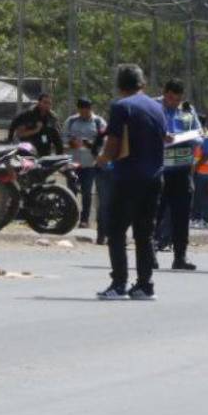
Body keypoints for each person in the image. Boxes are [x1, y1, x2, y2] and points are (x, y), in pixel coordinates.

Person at [96, 64, 167, 301]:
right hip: (155, 178)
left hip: (128, 179)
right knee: (144, 234)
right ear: (142, 84)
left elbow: (114, 143)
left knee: (116, 231)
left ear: (120, 85)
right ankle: (145, 286)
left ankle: (119, 284)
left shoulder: (121, 106)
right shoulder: (157, 108)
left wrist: (103, 159)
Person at [156, 80, 201, 271]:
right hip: (159, 169)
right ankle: (150, 254)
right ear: (164, 93)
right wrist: (161, 136)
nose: (174, 103)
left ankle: (180, 256)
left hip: (182, 171)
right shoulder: (153, 108)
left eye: (178, 99)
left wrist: (189, 138)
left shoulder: (188, 111)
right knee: (155, 214)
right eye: (171, 98)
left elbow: (200, 134)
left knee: (181, 216)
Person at [63, 97, 106, 231]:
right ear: (78, 109)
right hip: (73, 162)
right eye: (81, 110)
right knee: (71, 191)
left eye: (86, 110)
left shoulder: (99, 121)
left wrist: (89, 144)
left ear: (90, 109)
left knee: (87, 192)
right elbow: (63, 137)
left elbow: (105, 141)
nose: (83, 113)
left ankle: (85, 220)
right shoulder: (71, 121)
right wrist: (71, 143)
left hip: (89, 163)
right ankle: (70, 218)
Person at [191, 119, 208, 229]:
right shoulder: (200, 136)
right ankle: (197, 219)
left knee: (204, 196)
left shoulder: (207, 137)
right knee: (198, 196)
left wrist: (195, 167)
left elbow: (206, 155)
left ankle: (205, 220)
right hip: (200, 170)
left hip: (204, 171)